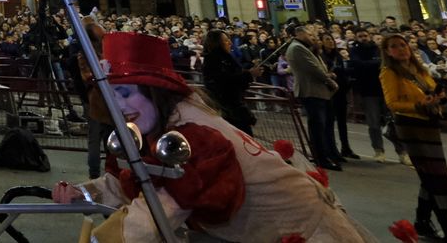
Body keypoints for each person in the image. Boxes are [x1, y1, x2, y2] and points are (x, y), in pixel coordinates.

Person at [51, 33, 376, 242]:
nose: (118, 106)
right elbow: (136, 183)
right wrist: (85, 192)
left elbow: (159, 211)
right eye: (111, 95)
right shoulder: (155, 127)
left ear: (155, 91)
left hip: (302, 231)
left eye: (124, 92)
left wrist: (100, 239)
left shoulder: (191, 138)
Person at [381, 32, 447, 242]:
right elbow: (392, 103)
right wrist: (420, 105)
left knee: (430, 176)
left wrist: (441, 98)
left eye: (403, 45)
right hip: (411, 126)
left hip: (429, 123)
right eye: (394, 46)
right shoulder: (389, 72)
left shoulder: (419, 69)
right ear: (387, 52)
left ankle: (422, 220)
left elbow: (434, 89)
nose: (400, 49)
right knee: (434, 177)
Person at [284, 24, 341, 170]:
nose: (313, 38)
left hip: (318, 91)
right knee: (317, 127)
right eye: (310, 35)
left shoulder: (304, 48)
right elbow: (313, 69)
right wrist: (330, 81)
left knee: (324, 125)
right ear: (301, 34)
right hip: (311, 91)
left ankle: (329, 153)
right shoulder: (297, 48)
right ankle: (321, 158)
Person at [348, 26, 399, 163]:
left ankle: (402, 151)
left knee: (393, 122)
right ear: (356, 38)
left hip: (385, 90)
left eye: (365, 35)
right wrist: (375, 64)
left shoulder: (378, 49)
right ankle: (379, 150)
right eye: (360, 36)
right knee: (373, 123)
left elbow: (385, 64)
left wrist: (369, 65)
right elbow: (358, 65)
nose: (363, 38)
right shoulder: (354, 51)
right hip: (368, 91)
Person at [200, 28, 258, 134]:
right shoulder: (214, 61)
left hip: (234, 108)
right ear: (217, 43)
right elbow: (225, 81)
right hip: (228, 110)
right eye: (226, 40)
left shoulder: (226, 58)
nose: (230, 43)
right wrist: (249, 74)